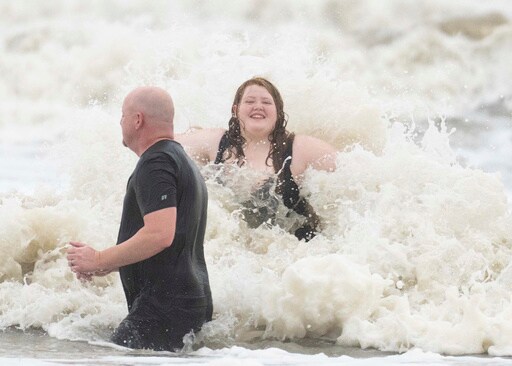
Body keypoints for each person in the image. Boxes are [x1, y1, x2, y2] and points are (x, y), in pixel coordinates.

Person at [66, 86, 212, 351]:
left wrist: (98, 258)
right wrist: (105, 265)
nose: (120, 122)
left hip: (164, 307)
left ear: (137, 120)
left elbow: (160, 235)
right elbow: (172, 241)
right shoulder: (180, 160)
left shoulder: (156, 162)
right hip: (186, 302)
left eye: (123, 115)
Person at [176, 77, 337, 241]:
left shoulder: (302, 148)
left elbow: (350, 171)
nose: (258, 106)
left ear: (278, 112)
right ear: (235, 109)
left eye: (267, 102)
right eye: (250, 101)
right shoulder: (215, 141)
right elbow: (164, 143)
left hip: (296, 247)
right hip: (233, 248)